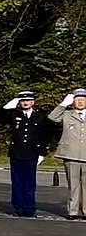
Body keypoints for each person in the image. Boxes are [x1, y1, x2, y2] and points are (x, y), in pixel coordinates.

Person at [0, 90, 52, 218]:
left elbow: (45, 135)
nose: (25, 103)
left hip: (32, 153)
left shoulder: (40, 116)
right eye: (22, 101)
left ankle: (29, 208)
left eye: (28, 100)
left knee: (30, 182)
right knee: (17, 182)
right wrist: (8, 106)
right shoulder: (14, 114)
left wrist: (42, 152)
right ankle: (18, 208)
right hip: (17, 153)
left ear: (33, 102)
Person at [49, 88, 86, 219]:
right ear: (73, 101)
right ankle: (73, 211)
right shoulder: (67, 114)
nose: (80, 102)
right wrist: (63, 104)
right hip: (71, 154)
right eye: (77, 100)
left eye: (83, 100)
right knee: (73, 184)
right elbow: (52, 117)